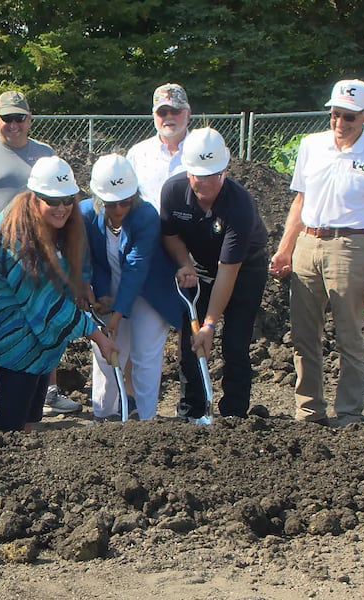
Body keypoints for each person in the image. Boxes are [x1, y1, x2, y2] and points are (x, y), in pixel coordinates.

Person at [269, 79, 364, 427]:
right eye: (335, 114)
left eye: (349, 117)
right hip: (308, 243)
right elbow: (300, 200)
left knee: (349, 334)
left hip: (350, 245)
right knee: (303, 334)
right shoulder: (312, 146)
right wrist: (285, 249)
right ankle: (309, 410)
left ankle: (349, 412)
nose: (340, 123)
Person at [0, 156, 118, 432]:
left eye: (67, 200)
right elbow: (42, 301)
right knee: (27, 348)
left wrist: (81, 288)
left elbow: (75, 261)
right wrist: (98, 337)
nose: (62, 208)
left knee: (46, 343)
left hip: (24, 305)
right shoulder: (15, 233)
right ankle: (8, 433)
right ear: (34, 197)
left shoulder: (63, 223)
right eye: (52, 200)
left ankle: (29, 427)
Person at [0, 90, 80, 418]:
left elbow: (61, 206)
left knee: (41, 319)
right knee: (3, 324)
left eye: (19, 118)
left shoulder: (44, 154)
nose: (13, 124)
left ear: (29, 119)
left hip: (41, 255)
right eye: (6, 118)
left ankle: (47, 391)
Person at [161, 128, 269, 420]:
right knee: (191, 340)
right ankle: (191, 411)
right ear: (187, 171)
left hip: (246, 268)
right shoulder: (173, 192)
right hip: (201, 266)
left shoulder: (240, 204)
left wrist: (211, 323)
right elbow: (170, 235)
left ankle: (234, 414)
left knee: (235, 340)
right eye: (198, 175)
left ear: (225, 170)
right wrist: (184, 263)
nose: (204, 182)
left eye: (213, 175)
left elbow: (228, 270)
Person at [80, 154, 181, 421]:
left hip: (149, 291)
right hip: (109, 290)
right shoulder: (85, 214)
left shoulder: (146, 215)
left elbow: (137, 267)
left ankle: (146, 420)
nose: (119, 210)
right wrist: (92, 289)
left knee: (145, 355)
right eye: (112, 204)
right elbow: (85, 256)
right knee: (107, 352)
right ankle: (104, 416)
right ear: (99, 199)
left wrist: (116, 314)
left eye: (126, 202)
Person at [127, 83, 192, 214]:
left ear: (188, 113)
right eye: (162, 112)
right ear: (154, 115)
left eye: (175, 111)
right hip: (148, 230)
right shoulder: (138, 154)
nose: (169, 117)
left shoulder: (201, 150)